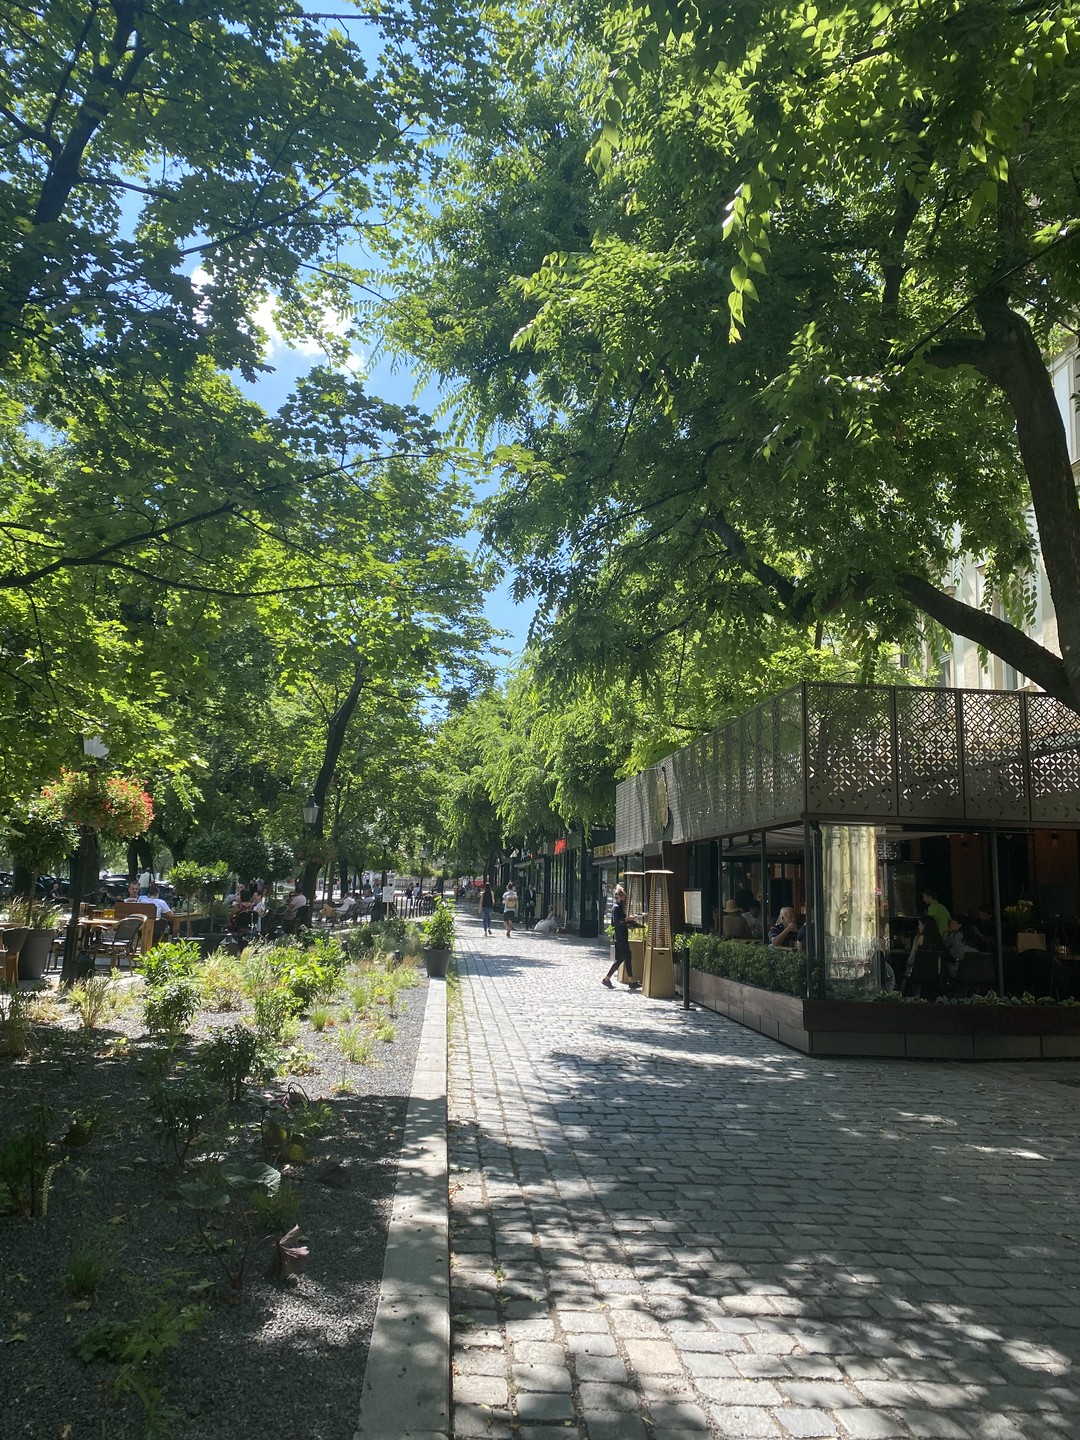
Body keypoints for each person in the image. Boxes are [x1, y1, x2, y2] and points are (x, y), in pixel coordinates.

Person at [603, 884, 640, 990]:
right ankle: (607, 979)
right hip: (620, 937)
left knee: (627, 957)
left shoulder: (619, 907)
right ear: (621, 897)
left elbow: (621, 923)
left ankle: (631, 981)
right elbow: (615, 923)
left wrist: (631, 923)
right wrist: (626, 920)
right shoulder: (616, 908)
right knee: (621, 959)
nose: (623, 899)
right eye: (622, 897)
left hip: (622, 936)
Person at [903, 915, 945, 999]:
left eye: (919, 924)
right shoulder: (939, 939)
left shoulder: (920, 938)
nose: (918, 927)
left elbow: (911, 960)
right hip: (936, 973)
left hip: (919, 973)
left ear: (924, 925)